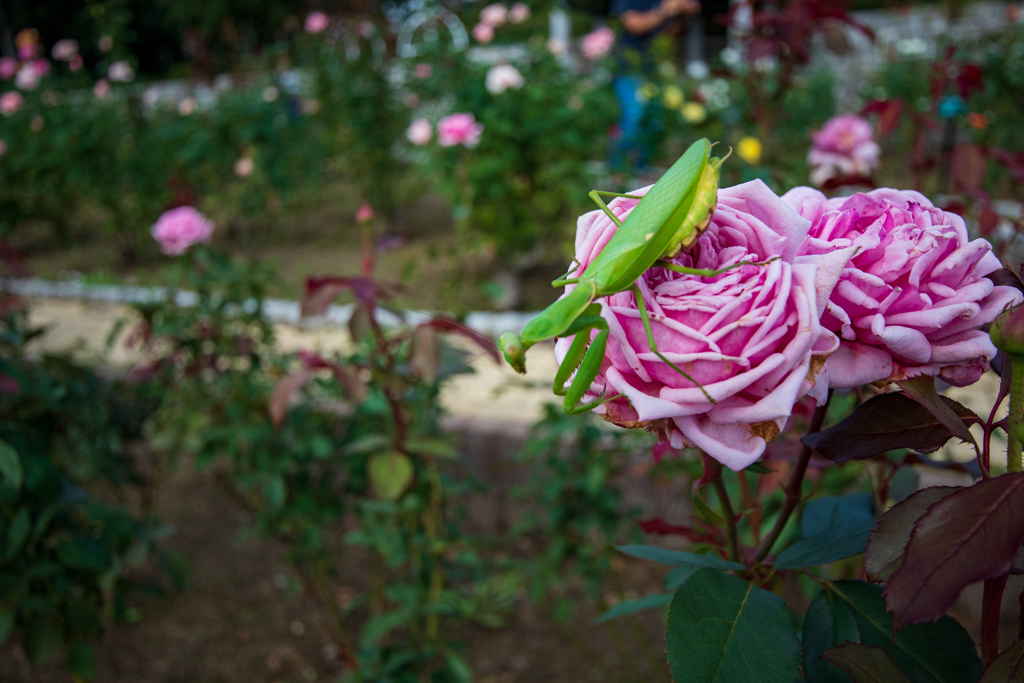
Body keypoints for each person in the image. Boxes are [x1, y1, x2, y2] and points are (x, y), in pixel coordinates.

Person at [609, 0, 700, 173]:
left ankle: (640, 169)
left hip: (654, 70)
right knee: (632, 117)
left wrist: (680, 12)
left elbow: (670, 33)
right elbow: (634, 25)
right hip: (629, 68)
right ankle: (618, 170)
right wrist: (666, 9)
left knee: (653, 120)